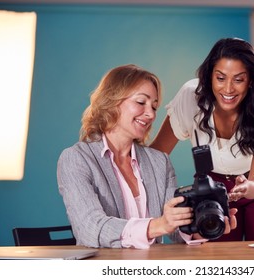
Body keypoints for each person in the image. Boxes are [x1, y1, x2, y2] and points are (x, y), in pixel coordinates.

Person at [57, 64, 237, 249]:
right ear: (111, 101)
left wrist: (205, 225)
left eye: (154, 106)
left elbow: (175, 230)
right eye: (141, 102)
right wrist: (157, 225)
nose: (151, 114)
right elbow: (89, 228)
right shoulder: (76, 159)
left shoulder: (159, 161)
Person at [150, 38, 254, 241]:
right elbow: (156, 156)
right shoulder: (191, 99)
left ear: (251, 80)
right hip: (214, 186)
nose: (228, 89)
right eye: (220, 78)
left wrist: (248, 187)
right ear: (209, 77)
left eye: (238, 79)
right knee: (218, 257)